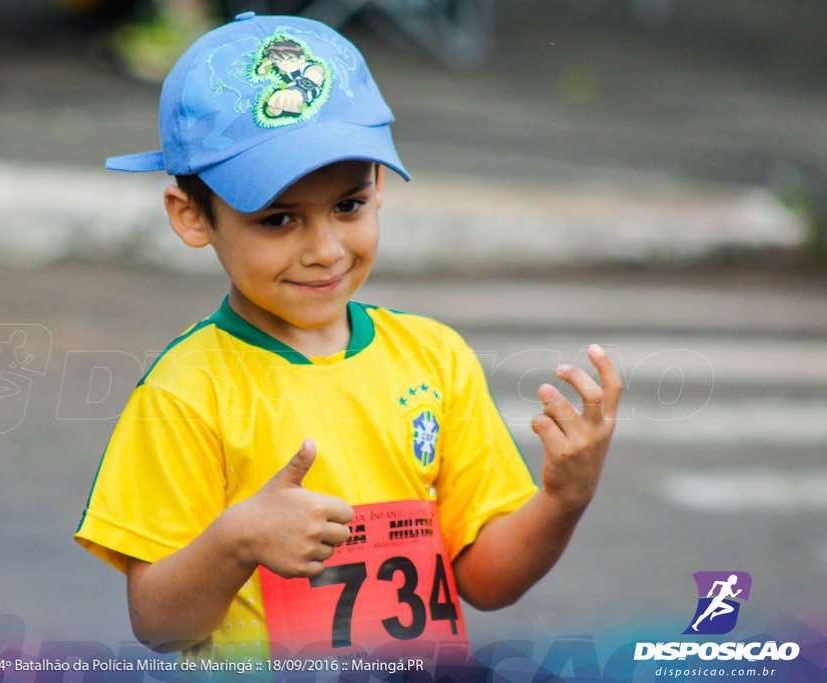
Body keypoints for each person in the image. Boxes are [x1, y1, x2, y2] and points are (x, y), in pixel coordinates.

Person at [74, 11, 621, 665]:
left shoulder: (434, 357)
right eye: (279, 219)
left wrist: (565, 496)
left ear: (379, 186)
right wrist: (235, 540)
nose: (326, 249)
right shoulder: (186, 391)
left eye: (348, 206)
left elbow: (482, 577)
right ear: (192, 215)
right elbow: (159, 623)